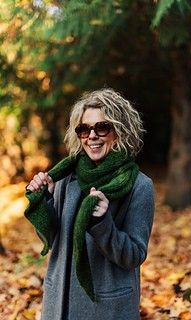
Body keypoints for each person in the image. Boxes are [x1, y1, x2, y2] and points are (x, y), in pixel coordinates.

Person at [25, 88, 155, 320]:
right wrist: (42, 200)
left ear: (120, 131)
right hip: (60, 305)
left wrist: (102, 223)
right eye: (84, 129)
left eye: (102, 127)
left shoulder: (139, 186)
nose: (91, 136)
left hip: (107, 309)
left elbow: (133, 256)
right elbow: (50, 240)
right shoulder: (66, 178)